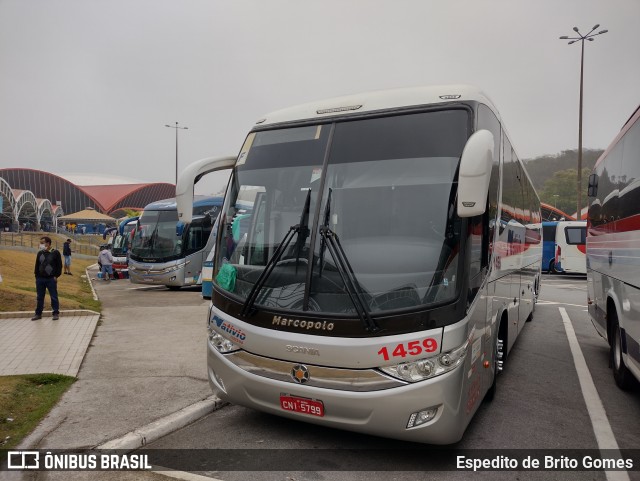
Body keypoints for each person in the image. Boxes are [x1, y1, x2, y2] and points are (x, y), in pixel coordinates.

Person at [32, 236, 62, 321]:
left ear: (48, 243)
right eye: (40, 243)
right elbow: (37, 265)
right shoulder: (40, 253)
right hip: (40, 279)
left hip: (51, 279)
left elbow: (59, 266)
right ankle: (38, 313)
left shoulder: (55, 253)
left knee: (53, 296)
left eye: (42, 243)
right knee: (40, 297)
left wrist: (56, 276)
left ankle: (55, 313)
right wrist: (36, 276)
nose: (41, 244)